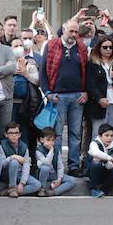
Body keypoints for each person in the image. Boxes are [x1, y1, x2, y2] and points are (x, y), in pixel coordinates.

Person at [38, 21, 88, 175]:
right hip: (57, 96)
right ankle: (57, 164)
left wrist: (85, 92)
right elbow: (43, 70)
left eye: (76, 32)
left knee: (75, 133)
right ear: (64, 30)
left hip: (77, 96)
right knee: (57, 134)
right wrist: (47, 92)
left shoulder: (82, 48)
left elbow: (86, 72)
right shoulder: (52, 45)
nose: (73, 34)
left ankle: (73, 166)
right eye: (71, 31)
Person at [19, 126, 76, 196]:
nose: (51, 142)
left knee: (72, 180)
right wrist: (51, 151)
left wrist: (59, 179)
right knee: (45, 167)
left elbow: (60, 166)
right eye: (48, 140)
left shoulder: (56, 150)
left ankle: (54, 192)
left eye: (53, 140)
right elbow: (47, 162)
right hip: (41, 174)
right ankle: (42, 188)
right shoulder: (38, 150)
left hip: (53, 174)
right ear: (42, 140)